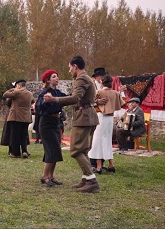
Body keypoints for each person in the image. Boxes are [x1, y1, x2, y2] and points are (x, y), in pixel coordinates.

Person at [43, 56, 103, 193]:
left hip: (83, 118)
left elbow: (76, 98)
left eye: (70, 67)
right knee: (83, 150)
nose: (69, 71)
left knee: (76, 150)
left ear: (75, 66)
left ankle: (91, 180)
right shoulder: (88, 79)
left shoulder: (81, 79)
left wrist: (54, 99)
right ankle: (86, 179)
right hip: (89, 117)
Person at [88, 75, 125, 174]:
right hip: (110, 119)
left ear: (102, 82)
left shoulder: (99, 92)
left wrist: (96, 102)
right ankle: (111, 165)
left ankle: (99, 166)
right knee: (107, 141)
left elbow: (90, 103)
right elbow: (122, 104)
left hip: (100, 117)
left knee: (97, 142)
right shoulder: (115, 93)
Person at [36, 69, 67, 187]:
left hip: (56, 122)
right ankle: (45, 176)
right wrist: (45, 102)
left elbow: (69, 99)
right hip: (46, 123)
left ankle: (52, 176)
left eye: (57, 76)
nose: (57, 78)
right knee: (51, 150)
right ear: (48, 80)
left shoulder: (58, 93)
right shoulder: (44, 93)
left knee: (56, 150)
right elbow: (38, 107)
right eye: (54, 76)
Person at [3, 79, 34, 159]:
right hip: (26, 117)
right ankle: (24, 151)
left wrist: (13, 89)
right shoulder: (30, 94)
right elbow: (32, 101)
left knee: (15, 135)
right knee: (24, 135)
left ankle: (16, 153)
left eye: (17, 86)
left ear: (19, 86)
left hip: (16, 116)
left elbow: (5, 94)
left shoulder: (17, 92)